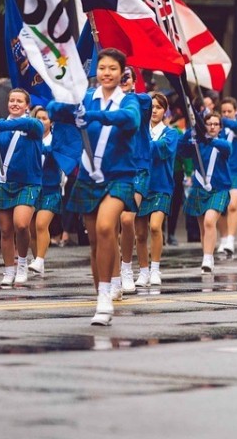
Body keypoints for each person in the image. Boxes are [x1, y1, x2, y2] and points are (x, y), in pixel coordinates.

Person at [52, 48, 142, 325]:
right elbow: (53, 109)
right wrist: (71, 108)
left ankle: (106, 298)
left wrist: (94, 116)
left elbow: (131, 121)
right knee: (94, 240)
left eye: (113, 69)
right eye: (102, 68)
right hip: (89, 177)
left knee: (106, 227)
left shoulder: (129, 101)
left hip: (119, 177)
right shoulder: (86, 97)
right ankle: (101, 293)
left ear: (122, 73)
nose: (107, 73)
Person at [0, 89, 44, 287]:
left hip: (28, 183)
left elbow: (27, 124)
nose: (14, 103)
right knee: (5, 231)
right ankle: (8, 270)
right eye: (11, 100)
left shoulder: (33, 125)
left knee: (21, 224)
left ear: (27, 105)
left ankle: (22, 264)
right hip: (3, 183)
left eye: (19, 101)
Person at [135, 93, 179, 288]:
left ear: (165, 111)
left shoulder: (171, 133)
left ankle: (155, 269)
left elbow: (162, 149)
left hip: (162, 186)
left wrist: (141, 145)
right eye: (151, 107)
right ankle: (143, 271)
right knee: (140, 233)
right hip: (139, 186)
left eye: (159, 107)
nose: (154, 110)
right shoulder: (139, 131)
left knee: (155, 226)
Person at [115, 67, 152, 296]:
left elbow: (141, 103)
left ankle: (127, 268)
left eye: (126, 77)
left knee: (127, 219)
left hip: (138, 167)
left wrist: (124, 92)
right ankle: (114, 272)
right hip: (115, 167)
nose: (122, 81)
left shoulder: (142, 102)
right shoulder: (106, 102)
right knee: (109, 225)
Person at [181, 112, 233, 274]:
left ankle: (208, 259)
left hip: (219, 189)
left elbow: (226, 149)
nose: (212, 126)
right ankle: (207, 254)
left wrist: (209, 140)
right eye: (208, 124)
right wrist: (191, 131)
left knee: (210, 221)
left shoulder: (222, 143)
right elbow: (180, 150)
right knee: (204, 228)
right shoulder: (197, 144)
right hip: (199, 188)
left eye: (216, 124)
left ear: (220, 127)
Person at [29, 106, 64, 276]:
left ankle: (40, 259)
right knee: (30, 230)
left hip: (51, 188)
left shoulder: (56, 139)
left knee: (41, 224)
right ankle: (37, 261)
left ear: (51, 122)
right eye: (38, 118)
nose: (41, 121)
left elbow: (56, 154)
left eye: (45, 118)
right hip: (31, 187)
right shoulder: (29, 137)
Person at [216, 97, 237, 256]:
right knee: (221, 208)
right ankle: (223, 238)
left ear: (236, 111)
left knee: (233, 205)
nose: (227, 114)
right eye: (224, 112)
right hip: (222, 171)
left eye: (230, 111)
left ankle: (230, 239)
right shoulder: (218, 130)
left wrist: (221, 119)